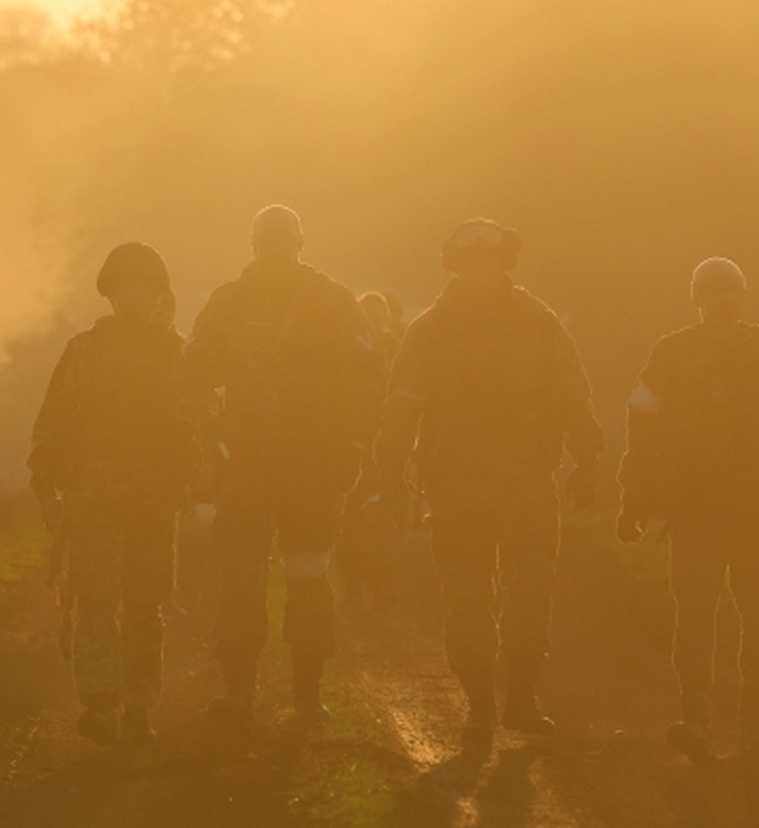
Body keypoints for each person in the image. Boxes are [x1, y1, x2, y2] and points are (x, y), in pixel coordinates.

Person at [376, 218, 604, 741]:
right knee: (468, 594)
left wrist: (588, 455)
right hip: (457, 485)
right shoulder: (430, 329)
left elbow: (572, 389)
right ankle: (480, 702)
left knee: (534, 585)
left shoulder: (538, 322)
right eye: (472, 262)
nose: (482, 270)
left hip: (527, 480)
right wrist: (387, 469)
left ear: (505, 264)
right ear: (458, 266)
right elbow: (403, 401)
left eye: (491, 261)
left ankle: (521, 698)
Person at [617, 256, 759, 762]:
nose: (723, 300)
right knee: (695, 615)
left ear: (744, 298)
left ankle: (753, 718)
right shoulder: (670, 354)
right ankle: (695, 718)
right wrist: (633, 497)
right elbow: (640, 428)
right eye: (713, 292)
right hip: (694, 513)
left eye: (732, 291)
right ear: (698, 300)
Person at [182, 204, 385, 725]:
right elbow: (192, 378)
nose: (275, 253)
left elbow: (368, 381)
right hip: (247, 463)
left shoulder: (332, 303)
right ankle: (241, 692)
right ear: (256, 247)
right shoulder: (230, 304)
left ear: (299, 245)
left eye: (283, 243)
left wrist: (354, 448)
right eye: (268, 243)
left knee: (308, 575)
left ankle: (307, 692)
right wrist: (201, 449)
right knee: (242, 577)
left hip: (311, 465)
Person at [28, 243, 192, 745]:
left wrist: (198, 480)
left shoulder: (177, 353)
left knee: (145, 604)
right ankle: (100, 704)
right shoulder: (85, 351)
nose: (133, 294)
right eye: (124, 284)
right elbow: (52, 425)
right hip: (94, 497)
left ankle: (139, 704)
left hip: (155, 499)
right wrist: (50, 494)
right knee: (96, 600)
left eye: (142, 284)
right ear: (110, 291)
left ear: (157, 291)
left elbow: (199, 425)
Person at [335, 291, 402, 610]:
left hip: (387, 448)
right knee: (346, 519)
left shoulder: (401, 352)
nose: (373, 325)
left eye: (378, 319)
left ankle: (383, 584)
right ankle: (351, 584)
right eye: (367, 319)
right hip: (350, 446)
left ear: (387, 320)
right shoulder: (345, 352)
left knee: (380, 517)